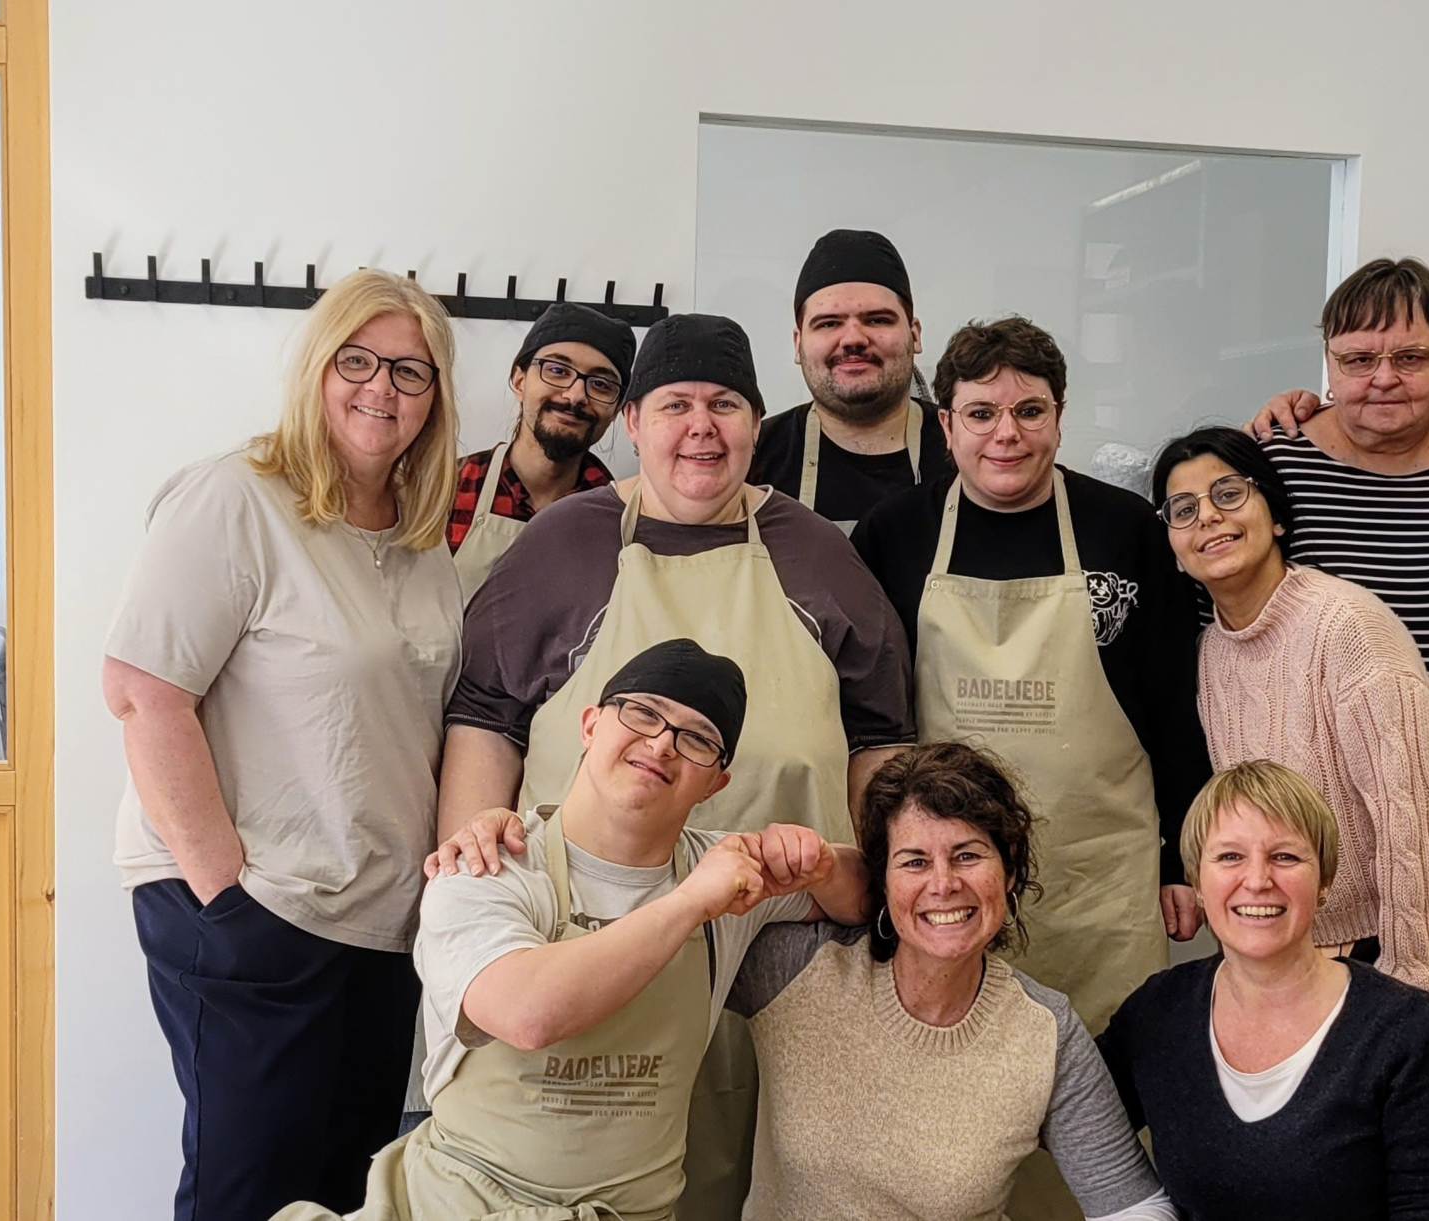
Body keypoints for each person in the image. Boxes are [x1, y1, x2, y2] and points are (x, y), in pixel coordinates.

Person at [436, 312, 914, 1221]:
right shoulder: (565, 544)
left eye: (725, 404)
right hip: (575, 936)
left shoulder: (817, 553)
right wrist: (470, 856)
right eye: (675, 404)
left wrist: (877, 902)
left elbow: (882, 735)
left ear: (756, 423)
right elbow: (486, 715)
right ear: (634, 422)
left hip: (785, 947)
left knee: (768, 1175)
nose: (702, 426)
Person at [443, 741, 1178, 1220]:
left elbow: (1134, 1207)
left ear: (1010, 873)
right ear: (881, 881)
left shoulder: (1045, 1032)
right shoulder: (794, 969)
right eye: (913, 861)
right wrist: (523, 836)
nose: (943, 885)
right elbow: (628, 938)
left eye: (969, 855)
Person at [102, 268, 464, 1221]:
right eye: (358, 361)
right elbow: (142, 691)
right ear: (317, 367)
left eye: (411, 371)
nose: (382, 388)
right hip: (259, 909)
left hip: (378, 924)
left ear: (435, 398)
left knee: (346, 1194)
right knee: (249, 1195)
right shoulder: (236, 498)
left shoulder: (423, 538)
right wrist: (227, 893)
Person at [278, 640, 867, 1221]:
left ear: (716, 783)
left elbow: (872, 894)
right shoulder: (487, 865)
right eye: (642, 713)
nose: (662, 743)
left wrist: (821, 862)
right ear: (590, 725)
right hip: (458, 1207)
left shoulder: (725, 871)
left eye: (697, 739)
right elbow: (526, 1014)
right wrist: (690, 903)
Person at [851, 314, 1212, 1028]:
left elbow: (1176, 704)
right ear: (946, 424)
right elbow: (865, 719)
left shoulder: (1127, 530)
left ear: (1059, 416)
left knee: (1110, 1074)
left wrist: (1181, 859)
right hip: (947, 885)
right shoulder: (894, 535)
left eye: (1029, 411)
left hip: (1100, 882)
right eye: (981, 413)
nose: (1006, 434)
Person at [1241, 256, 1429, 1031]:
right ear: (1327, 363)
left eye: (1411, 356)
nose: (1383, 379)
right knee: (1309, 1050)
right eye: (1357, 359)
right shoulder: (1277, 462)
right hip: (1313, 824)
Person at [1152, 427, 1429, 998]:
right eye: (1184, 509)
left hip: (1395, 941)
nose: (1209, 517)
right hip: (1284, 951)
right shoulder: (1208, 654)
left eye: (1228, 493)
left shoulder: (1348, 627)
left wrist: (1413, 986)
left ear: (1275, 516)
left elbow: (1414, 819)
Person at [1099, 760, 1429, 1220]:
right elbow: (1067, 1109)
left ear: (1324, 881)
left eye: (1285, 857)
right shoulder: (1157, 1014)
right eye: (1230, 857)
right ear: (1196, 880)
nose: (1258, 881)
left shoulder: (1405, 1031)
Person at [747, 229, 949, 529]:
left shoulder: (973, 451)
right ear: (798, 344)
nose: (853, 339)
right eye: (829, 324)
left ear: (915, 335)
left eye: (877, 320)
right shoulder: (749, 459)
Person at [447, 301, 635, 604]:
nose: (575, 395)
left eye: (601, 384)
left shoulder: (623, 521)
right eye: (558, 371)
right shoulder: (447, 490)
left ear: (615, 410)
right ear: (520, 381)